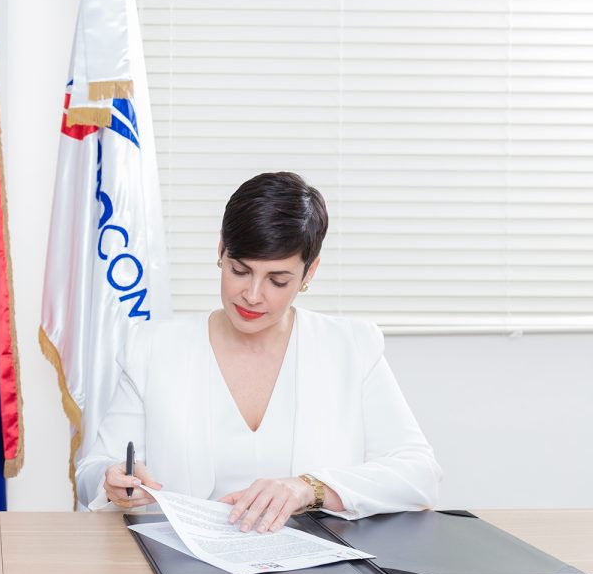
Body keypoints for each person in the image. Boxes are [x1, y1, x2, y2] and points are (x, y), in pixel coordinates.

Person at [76, 172, 441, 532]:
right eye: (239, 270)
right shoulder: (153, 347)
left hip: (317, 563)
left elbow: (419, 473)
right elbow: (93, 471)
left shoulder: (352, 346)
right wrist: (113, 481)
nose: (252, 295)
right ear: (221, 250)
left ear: (309, 272)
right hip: (184, 560)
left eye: (277, 280)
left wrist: (310, 489)